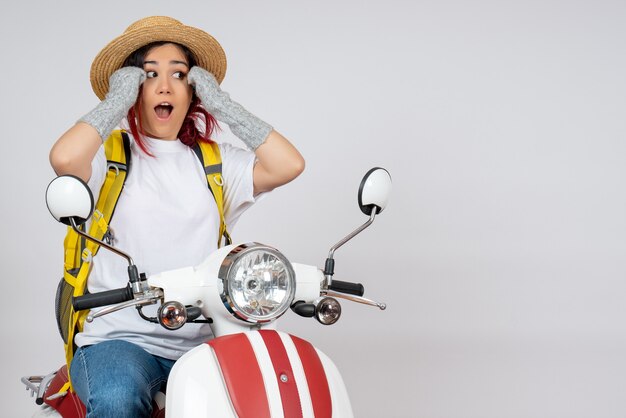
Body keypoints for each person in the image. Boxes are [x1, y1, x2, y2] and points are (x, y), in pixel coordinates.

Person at [49, 16, 304, 417]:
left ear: (193, 90)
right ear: (133, 87)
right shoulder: (109, 157)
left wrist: (225, 105)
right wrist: (115, 102)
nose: (165, 86)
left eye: (179, 75)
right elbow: (64, 158)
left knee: (269, 394)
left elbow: (288, 164)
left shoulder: (215, 164)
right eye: (149, 75)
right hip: (120, 342)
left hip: (204, 341)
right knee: (117, 397)